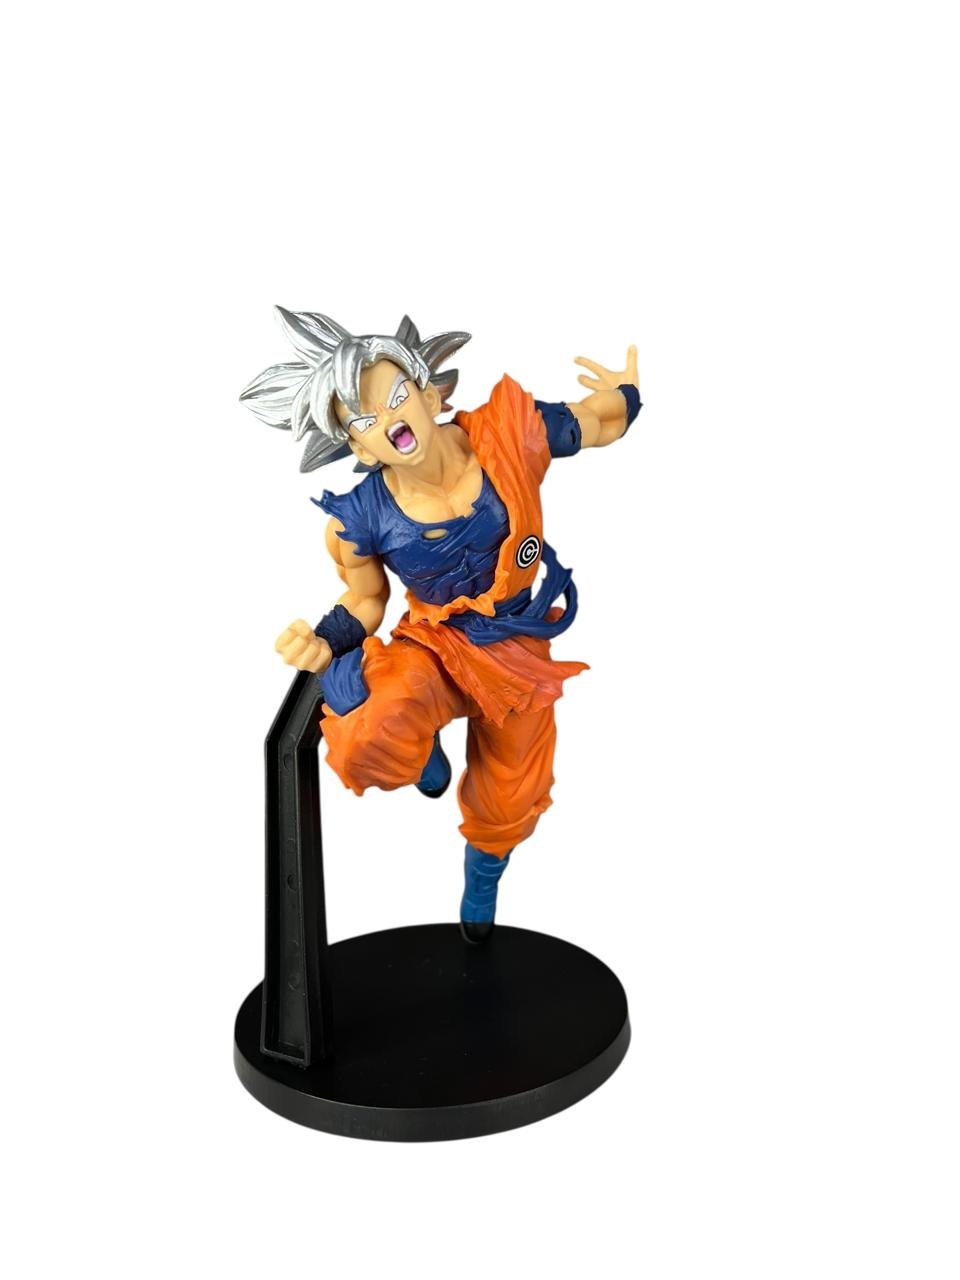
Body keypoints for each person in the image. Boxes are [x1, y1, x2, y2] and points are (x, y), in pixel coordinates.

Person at [241, 308, 641, 941]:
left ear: (429, 394)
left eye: (397, 396)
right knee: (369, 727)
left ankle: (482, 882)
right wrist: (322, 639)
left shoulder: (508, 434)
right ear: (357, 447)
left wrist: (626, 394)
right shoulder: (358, 519)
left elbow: (596, 422)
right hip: (435, 646)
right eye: (364, 420)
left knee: (511, 796)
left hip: (517, 646)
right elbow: (365, 602)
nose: (389, 420)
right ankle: (421, 749)